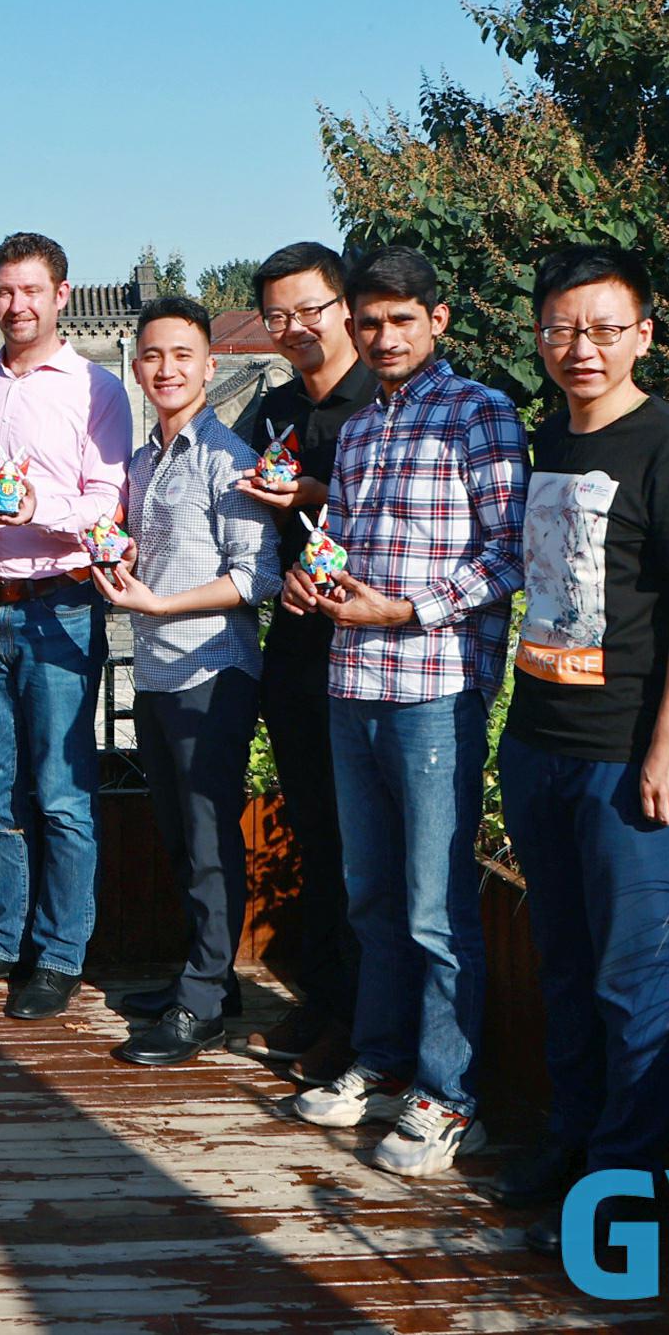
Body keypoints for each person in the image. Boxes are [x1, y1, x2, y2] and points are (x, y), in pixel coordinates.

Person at [486, 245, 669, 1254]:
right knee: (562, 963)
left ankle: (621, 1193)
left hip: (628, 757)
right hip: (537, 741)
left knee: (631, 977)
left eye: (602, 328)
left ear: (643, 335)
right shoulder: (545, 439)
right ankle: (574, 1142)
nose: (579, 347)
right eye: (560, 328)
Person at [284, 245, 525, 1179]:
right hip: (352, 684)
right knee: (372, 897)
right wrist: (313, 580)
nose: (384, 337)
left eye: (401, 320)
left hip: (434, 688)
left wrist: (408, 610)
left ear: (438, 320)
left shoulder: (479, 412)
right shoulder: (358, 430)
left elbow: (510, 552)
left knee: (434, 908)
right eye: (369, 322)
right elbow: (341, 542)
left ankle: (449, 1096)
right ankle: (383, 1065)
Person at [0, 232, 131, 1020]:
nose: (17, 306)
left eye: (32, 291)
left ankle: (58, 955)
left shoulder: (95, 388)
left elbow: (108, 504)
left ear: (62, 296)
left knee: (61, 795)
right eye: (5, 292)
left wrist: (39, 510)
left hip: (61, 605)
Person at [92, 297, 280, 1067]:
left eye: (181, 355)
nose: (166, 369)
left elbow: (258, 575)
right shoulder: (145, 461)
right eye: (152, 356)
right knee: (178, 833)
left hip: (212, 670)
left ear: (209, 365)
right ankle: (209, 979)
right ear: (137, 369)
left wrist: (160, 602)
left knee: (207, 839)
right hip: (160, 670)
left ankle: (201, 1003)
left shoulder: (228, 458)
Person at [230, 242, 377, 1081]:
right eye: (277, 315)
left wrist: (318, 497)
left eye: (309, 310)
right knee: (316, 832)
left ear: (344, 307)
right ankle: (324, 1003)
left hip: (375, 649)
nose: (294, 328)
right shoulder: (275, 409)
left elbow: (409, 515)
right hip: (294, 646)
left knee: (364, 843)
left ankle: (364, 1024)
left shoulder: (382, 401)